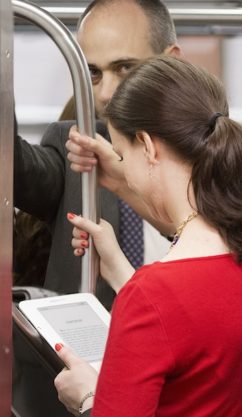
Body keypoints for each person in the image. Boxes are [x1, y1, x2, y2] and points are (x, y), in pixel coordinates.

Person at [53, 56, 242, 417]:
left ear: (148, 146)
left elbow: (172, 313)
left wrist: (88, 398)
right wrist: (120, 268)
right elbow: (195, 324)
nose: (124, 168)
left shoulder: (152, 297)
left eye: (123, 153)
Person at [14, 0, 179, 308]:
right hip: (87, 348)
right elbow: (16, 168)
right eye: (93, 73)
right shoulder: (76, 145)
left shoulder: (212, 149)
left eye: (125, 67)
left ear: (171, 61)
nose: (106, 94)